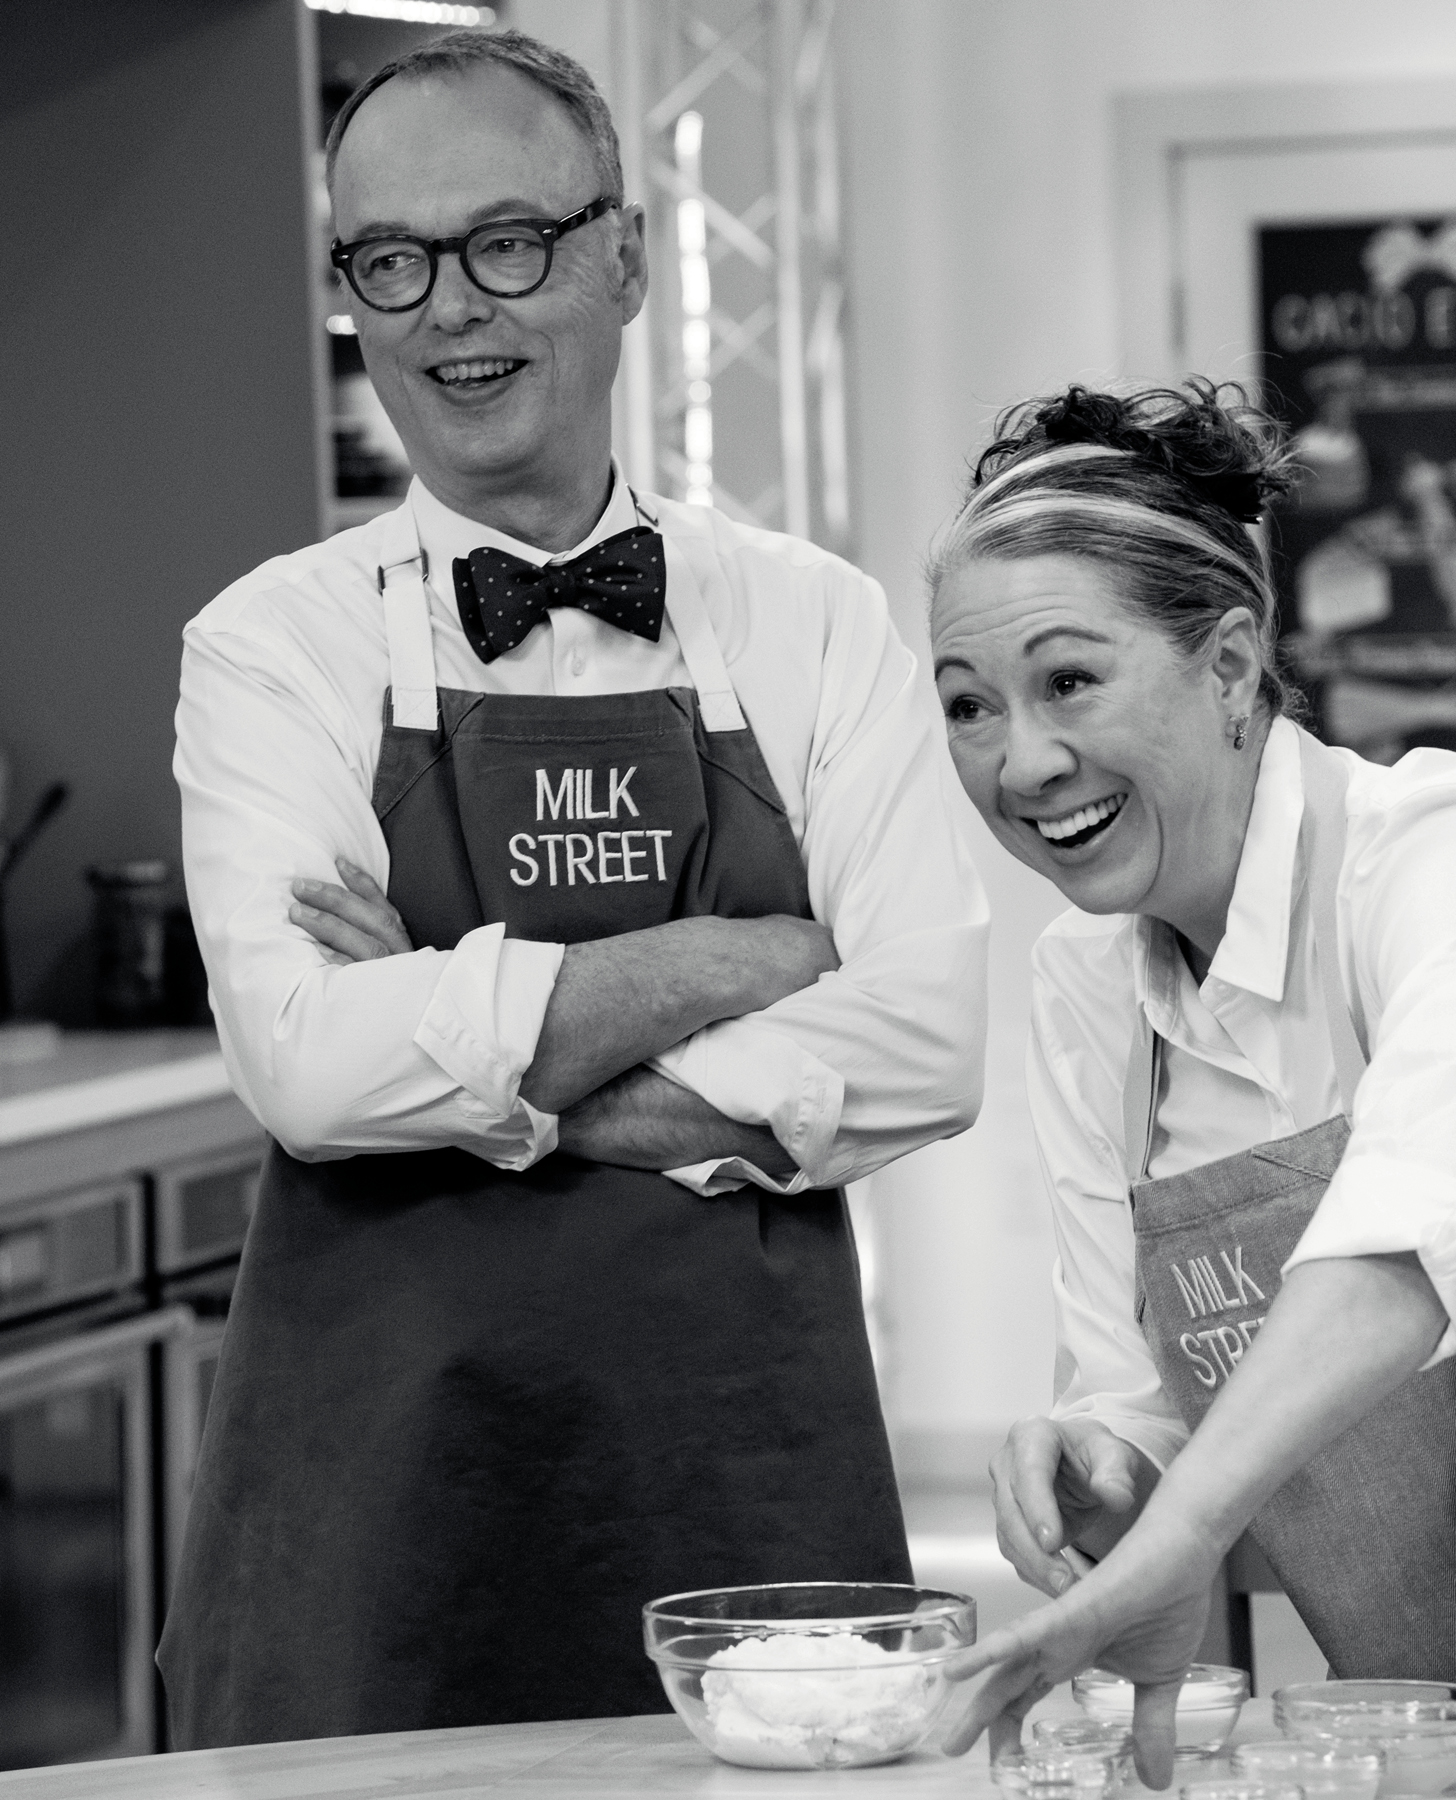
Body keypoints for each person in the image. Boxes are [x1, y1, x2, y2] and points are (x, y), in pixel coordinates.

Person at [157, 28, 989, 1748]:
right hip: (377, 1491)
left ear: (622, 252)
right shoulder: (268, 645)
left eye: (506, 242)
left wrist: (469, 1052)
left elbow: (929, 1034)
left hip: (745, 1477)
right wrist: (734, 955)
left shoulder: (814, 619)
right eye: (390, 262)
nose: (449, 308)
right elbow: (310, 1068)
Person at [925, 381, 1456, 1786]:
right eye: (968, 703)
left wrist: (1183, 1534)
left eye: (1068, 681)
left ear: (1229, 668)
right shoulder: (1087, 985)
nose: (1019, 761)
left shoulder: (1423, 871)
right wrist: (1103, 1472)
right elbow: (1134, 1386)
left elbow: (1407, 1245)